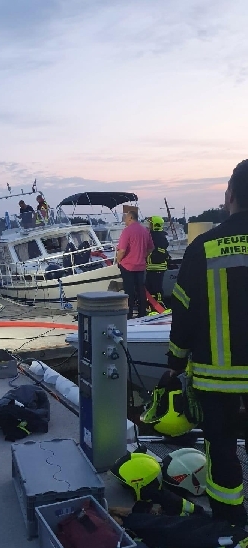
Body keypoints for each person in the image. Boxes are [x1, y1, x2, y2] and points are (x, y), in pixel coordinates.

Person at [168, 158, 248, 527]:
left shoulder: (204, 247)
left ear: (229, 196)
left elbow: (183, 311)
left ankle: (230, 524)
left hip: (219, 380)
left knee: (222, 449)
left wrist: (175, 363)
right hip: (219, 379)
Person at [116, 210, 154, 318]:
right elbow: (151, 248)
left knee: (129, 291)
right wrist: (143, 256)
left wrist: (118, 261)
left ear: (130, 218)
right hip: (140, 266)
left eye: (126, 218)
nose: (125, 221)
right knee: (141, 290)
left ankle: (129, 315)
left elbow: (122, 250)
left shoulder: (127, 231)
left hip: (128, 265)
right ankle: (142, 314)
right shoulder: (145, 230)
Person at [146, 216, 170, 303]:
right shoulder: (160, 236)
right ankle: (151, 303)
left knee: (157, 288)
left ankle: (159, 303)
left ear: (155, 225)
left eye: (150, 224)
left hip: (157, 266)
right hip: (151, 267)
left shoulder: (155, 236)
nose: (149, 226)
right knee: (150, 287)